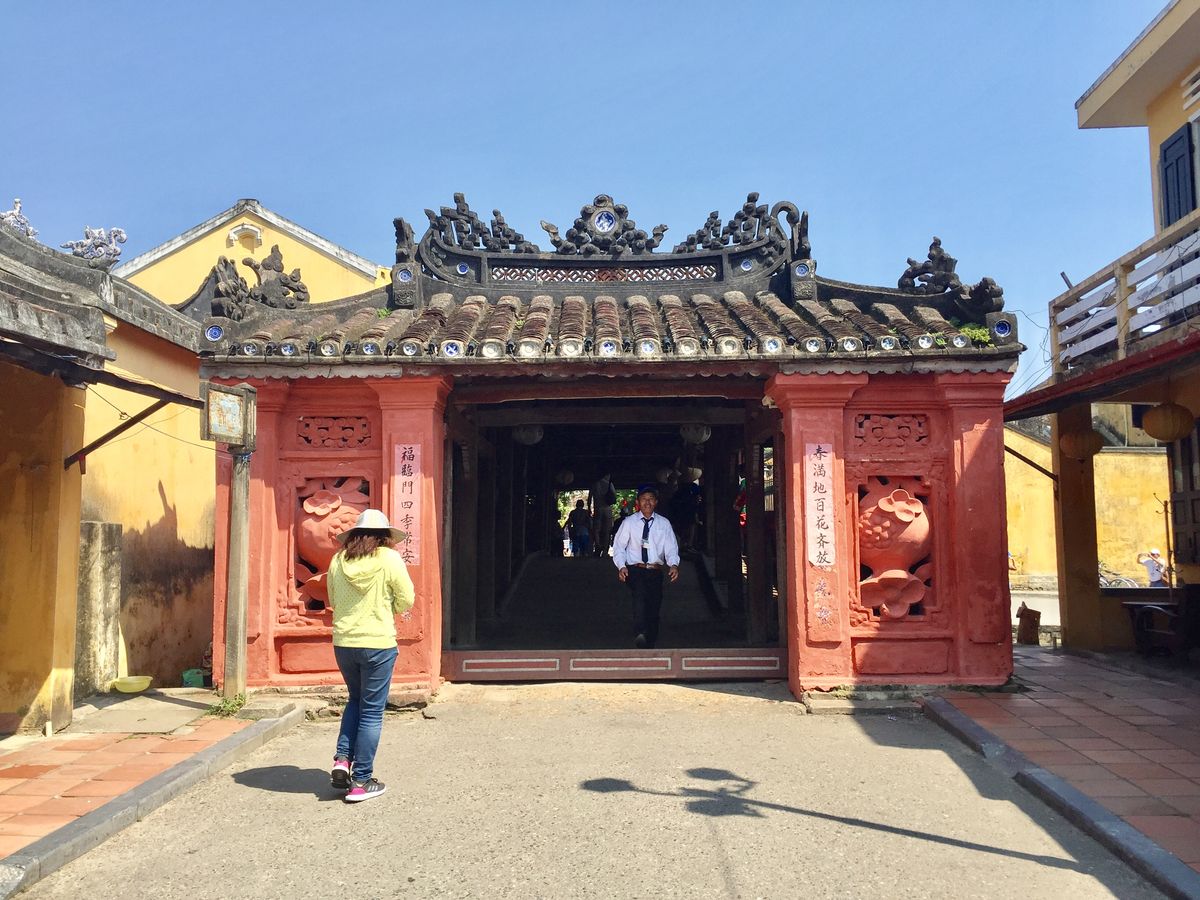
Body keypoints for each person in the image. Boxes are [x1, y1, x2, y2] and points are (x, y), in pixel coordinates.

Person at [327, 508, 415, 803]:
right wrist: (389, 608)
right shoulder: (389, 558)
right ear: (385, 537)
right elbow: (406, 598)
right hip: (378, 643)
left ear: (354, 535)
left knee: (355, 699)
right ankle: (361, 780)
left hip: (344, 643)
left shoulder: (338, 559)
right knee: (372, 711)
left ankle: (342, 760)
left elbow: (333, 599)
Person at [611, 484, 680, 648]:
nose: (647, 502)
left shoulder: (663, 524)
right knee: (640, 596)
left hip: (655, 570)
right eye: (643, 499)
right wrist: (621, 566)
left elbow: (671, 547)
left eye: (650, 499)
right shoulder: (629, 523)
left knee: (654, 606)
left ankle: (650, 643)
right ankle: (640, 632)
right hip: (636, 569)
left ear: (656, 502)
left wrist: (673, 564)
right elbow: (619, 546)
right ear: (638, 502)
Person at [589, 473, 617, 557]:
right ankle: (605, 550)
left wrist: (589, 509)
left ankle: (598, 545)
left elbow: (589, 498)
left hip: (598, 508)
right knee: (607, 531)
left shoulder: (595, 484)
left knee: (597, 529)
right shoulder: (609, 484)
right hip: (607, 509)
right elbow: (614, 497)